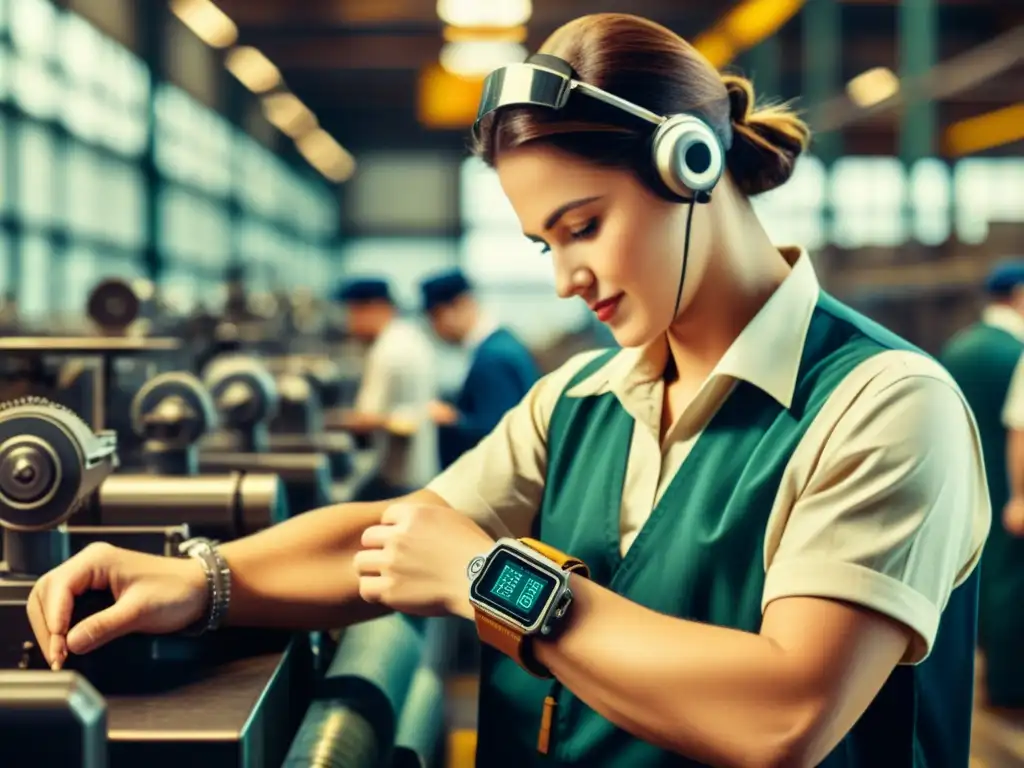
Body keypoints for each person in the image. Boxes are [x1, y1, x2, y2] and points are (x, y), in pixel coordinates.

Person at [26, 13, 989, 768]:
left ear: (691, 166)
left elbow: (784, 713)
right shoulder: (578, 398)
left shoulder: (885, 404)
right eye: (544, 243)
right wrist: (201, 582)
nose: (565, 276)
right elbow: (396, 534)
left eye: (584, 225)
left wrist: (492, 582)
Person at [943, 261, 1024, 709]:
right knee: (1013, 582)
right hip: (1012, 487)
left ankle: (987, 670)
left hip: (969, 481)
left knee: (983, 575)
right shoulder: (1016, 353)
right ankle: (1012, 680)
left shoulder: (959, 347)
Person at [420, 269, 541, 468]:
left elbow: (497, 432)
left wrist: (452, 420)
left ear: (461, 305)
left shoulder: (492, 358)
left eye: (435, 317)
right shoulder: (502, 343)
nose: (435, 328)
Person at [333, 277, 439, 498]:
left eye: (353, 313)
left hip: (401, 475)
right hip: (421, 469)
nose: (349, 323)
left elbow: (367, 417)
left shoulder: (388, 351)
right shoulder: (410, 336)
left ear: (374, 307)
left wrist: (330, 421)